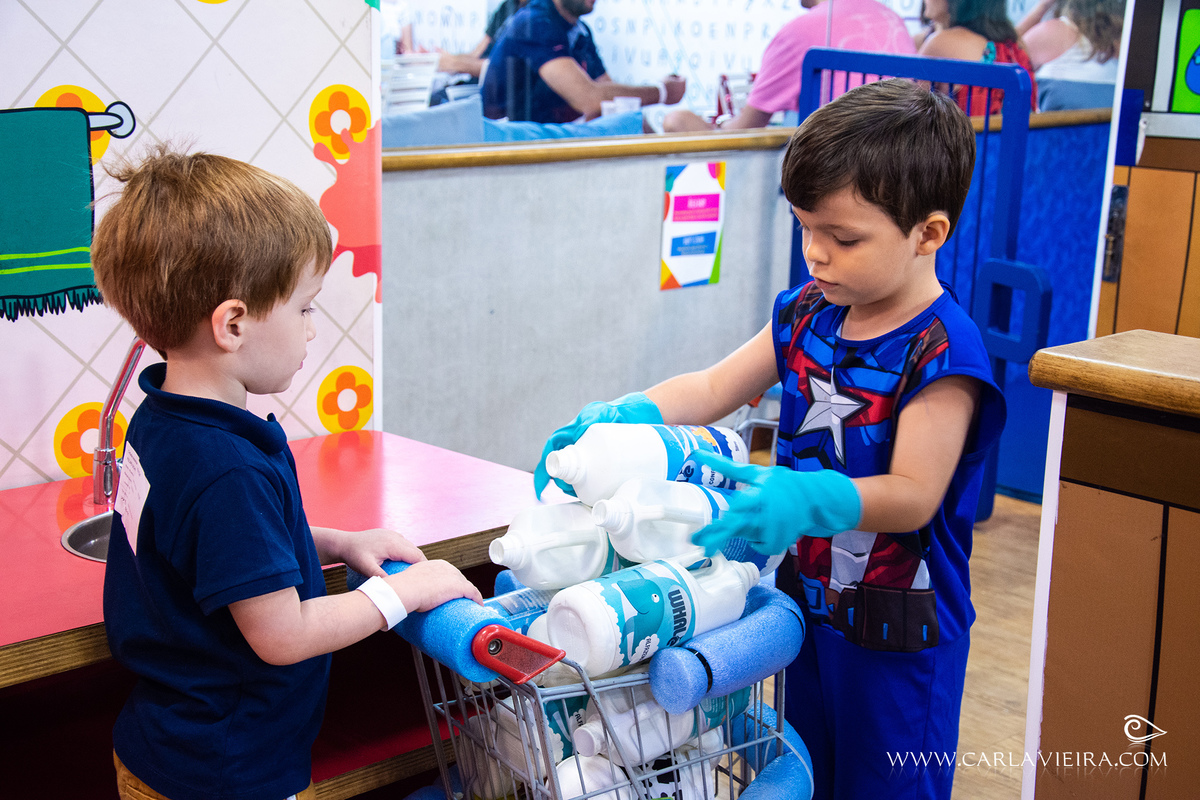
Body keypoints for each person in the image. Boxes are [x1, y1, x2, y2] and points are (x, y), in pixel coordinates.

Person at [533, 80, 1006, 799]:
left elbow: (913, 495)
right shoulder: (808, 313)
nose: (815, 254)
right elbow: (714, 388)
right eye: (804, 227)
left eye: (843, 238)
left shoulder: (943, 351)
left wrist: (806, 497)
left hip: (902, 630)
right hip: (802, 607)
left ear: (927, 234)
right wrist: (625, 413)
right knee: (801, 770)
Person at [90, 147, 483, 800]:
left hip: (167, 751)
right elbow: (282, 635)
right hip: (224, 775)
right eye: (304, 308)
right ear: (233, 324)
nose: (312, 331)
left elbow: (216, 547)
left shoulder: (165, 419)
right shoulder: (226, 470)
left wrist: (335, 543)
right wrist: (402, 597)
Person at [662, 0, 915, 133]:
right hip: (899, 170)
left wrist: (702, 124)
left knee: (677, 120)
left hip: (834, 172)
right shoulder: (893, 19)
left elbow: (745, 129)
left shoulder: (799, 31)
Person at [480, 0, 685, 123]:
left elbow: (609, 99)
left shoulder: (581, 31)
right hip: (513, 154)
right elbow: (588, 99)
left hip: (550, 148)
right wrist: (662, 92)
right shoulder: (533, 23)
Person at [919, 0, 1039, 114]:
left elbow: (907, 109)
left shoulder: (940, 43)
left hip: (968, 134)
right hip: (1018, 135)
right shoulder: (1016, 45)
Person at [1018, 0, 1124, 110]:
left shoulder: (1055, 32)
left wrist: (1042, 7)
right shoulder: (1124, 40)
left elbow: (1006, 55)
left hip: (1059, 125)